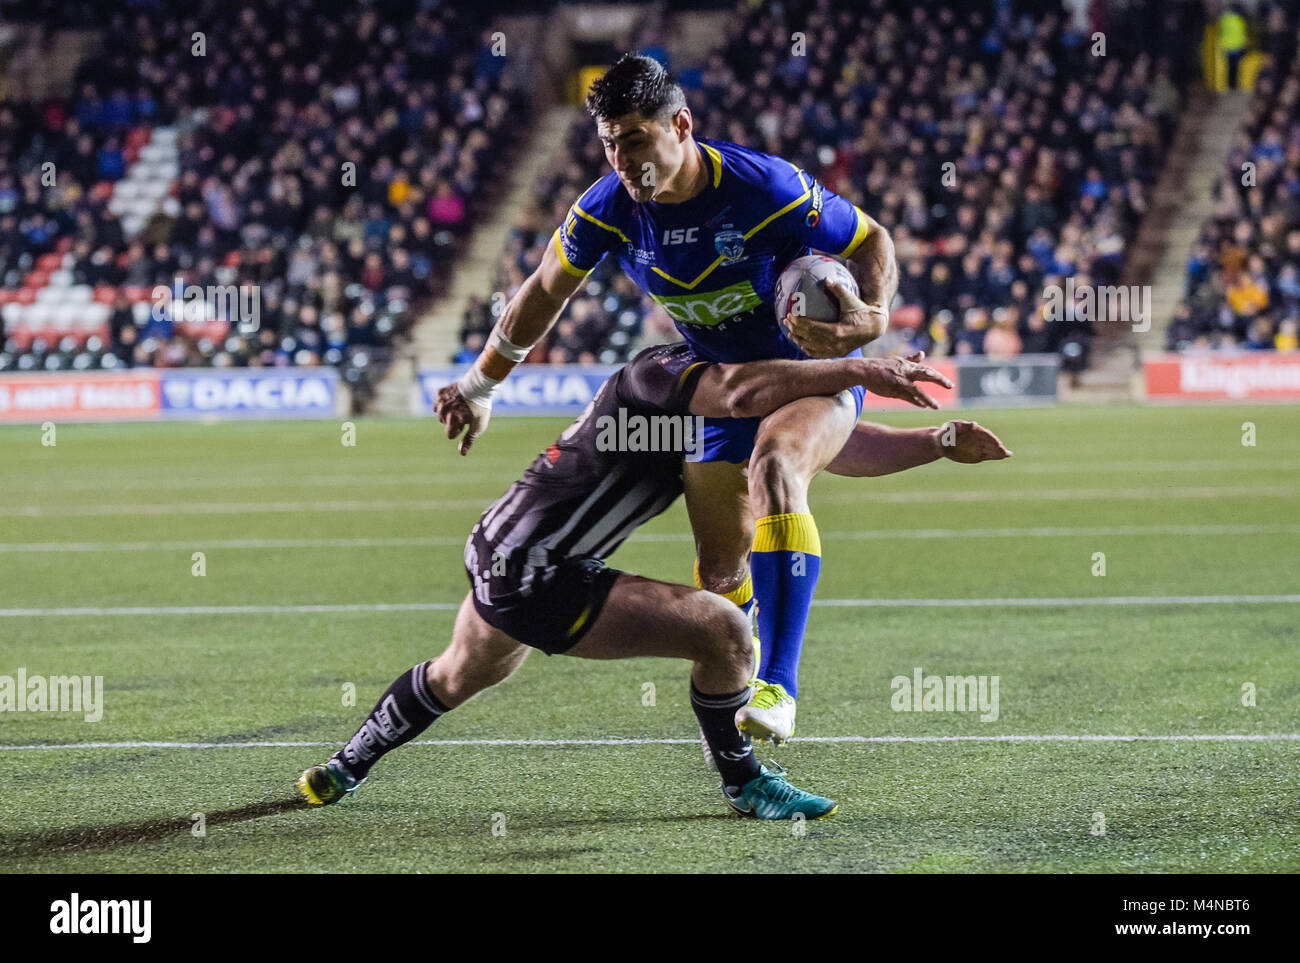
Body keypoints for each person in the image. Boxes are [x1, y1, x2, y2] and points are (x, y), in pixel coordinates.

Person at [435, 54, 904, 745]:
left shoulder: (765, 188)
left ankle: (780, 684)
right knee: (720, 569)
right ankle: (739, 736)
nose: (622, 159)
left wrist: (873, 318)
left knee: (777, 467)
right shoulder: (610, 207)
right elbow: (543, 289)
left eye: (634, 139)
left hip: (813, 370)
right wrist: (480, 384)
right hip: (720, 386)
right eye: (608, 142)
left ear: (680, 125)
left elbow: (872, 239)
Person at [300, 342, 972, 819]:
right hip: (541, 570)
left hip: (501, 545)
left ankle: (346, 764)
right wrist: (857, 368)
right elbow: (743, 394)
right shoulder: (661, 375)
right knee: (727, 632)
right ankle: (745, 783)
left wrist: (937, 441)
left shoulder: (706, 398)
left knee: (458, 673)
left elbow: (828, 448)